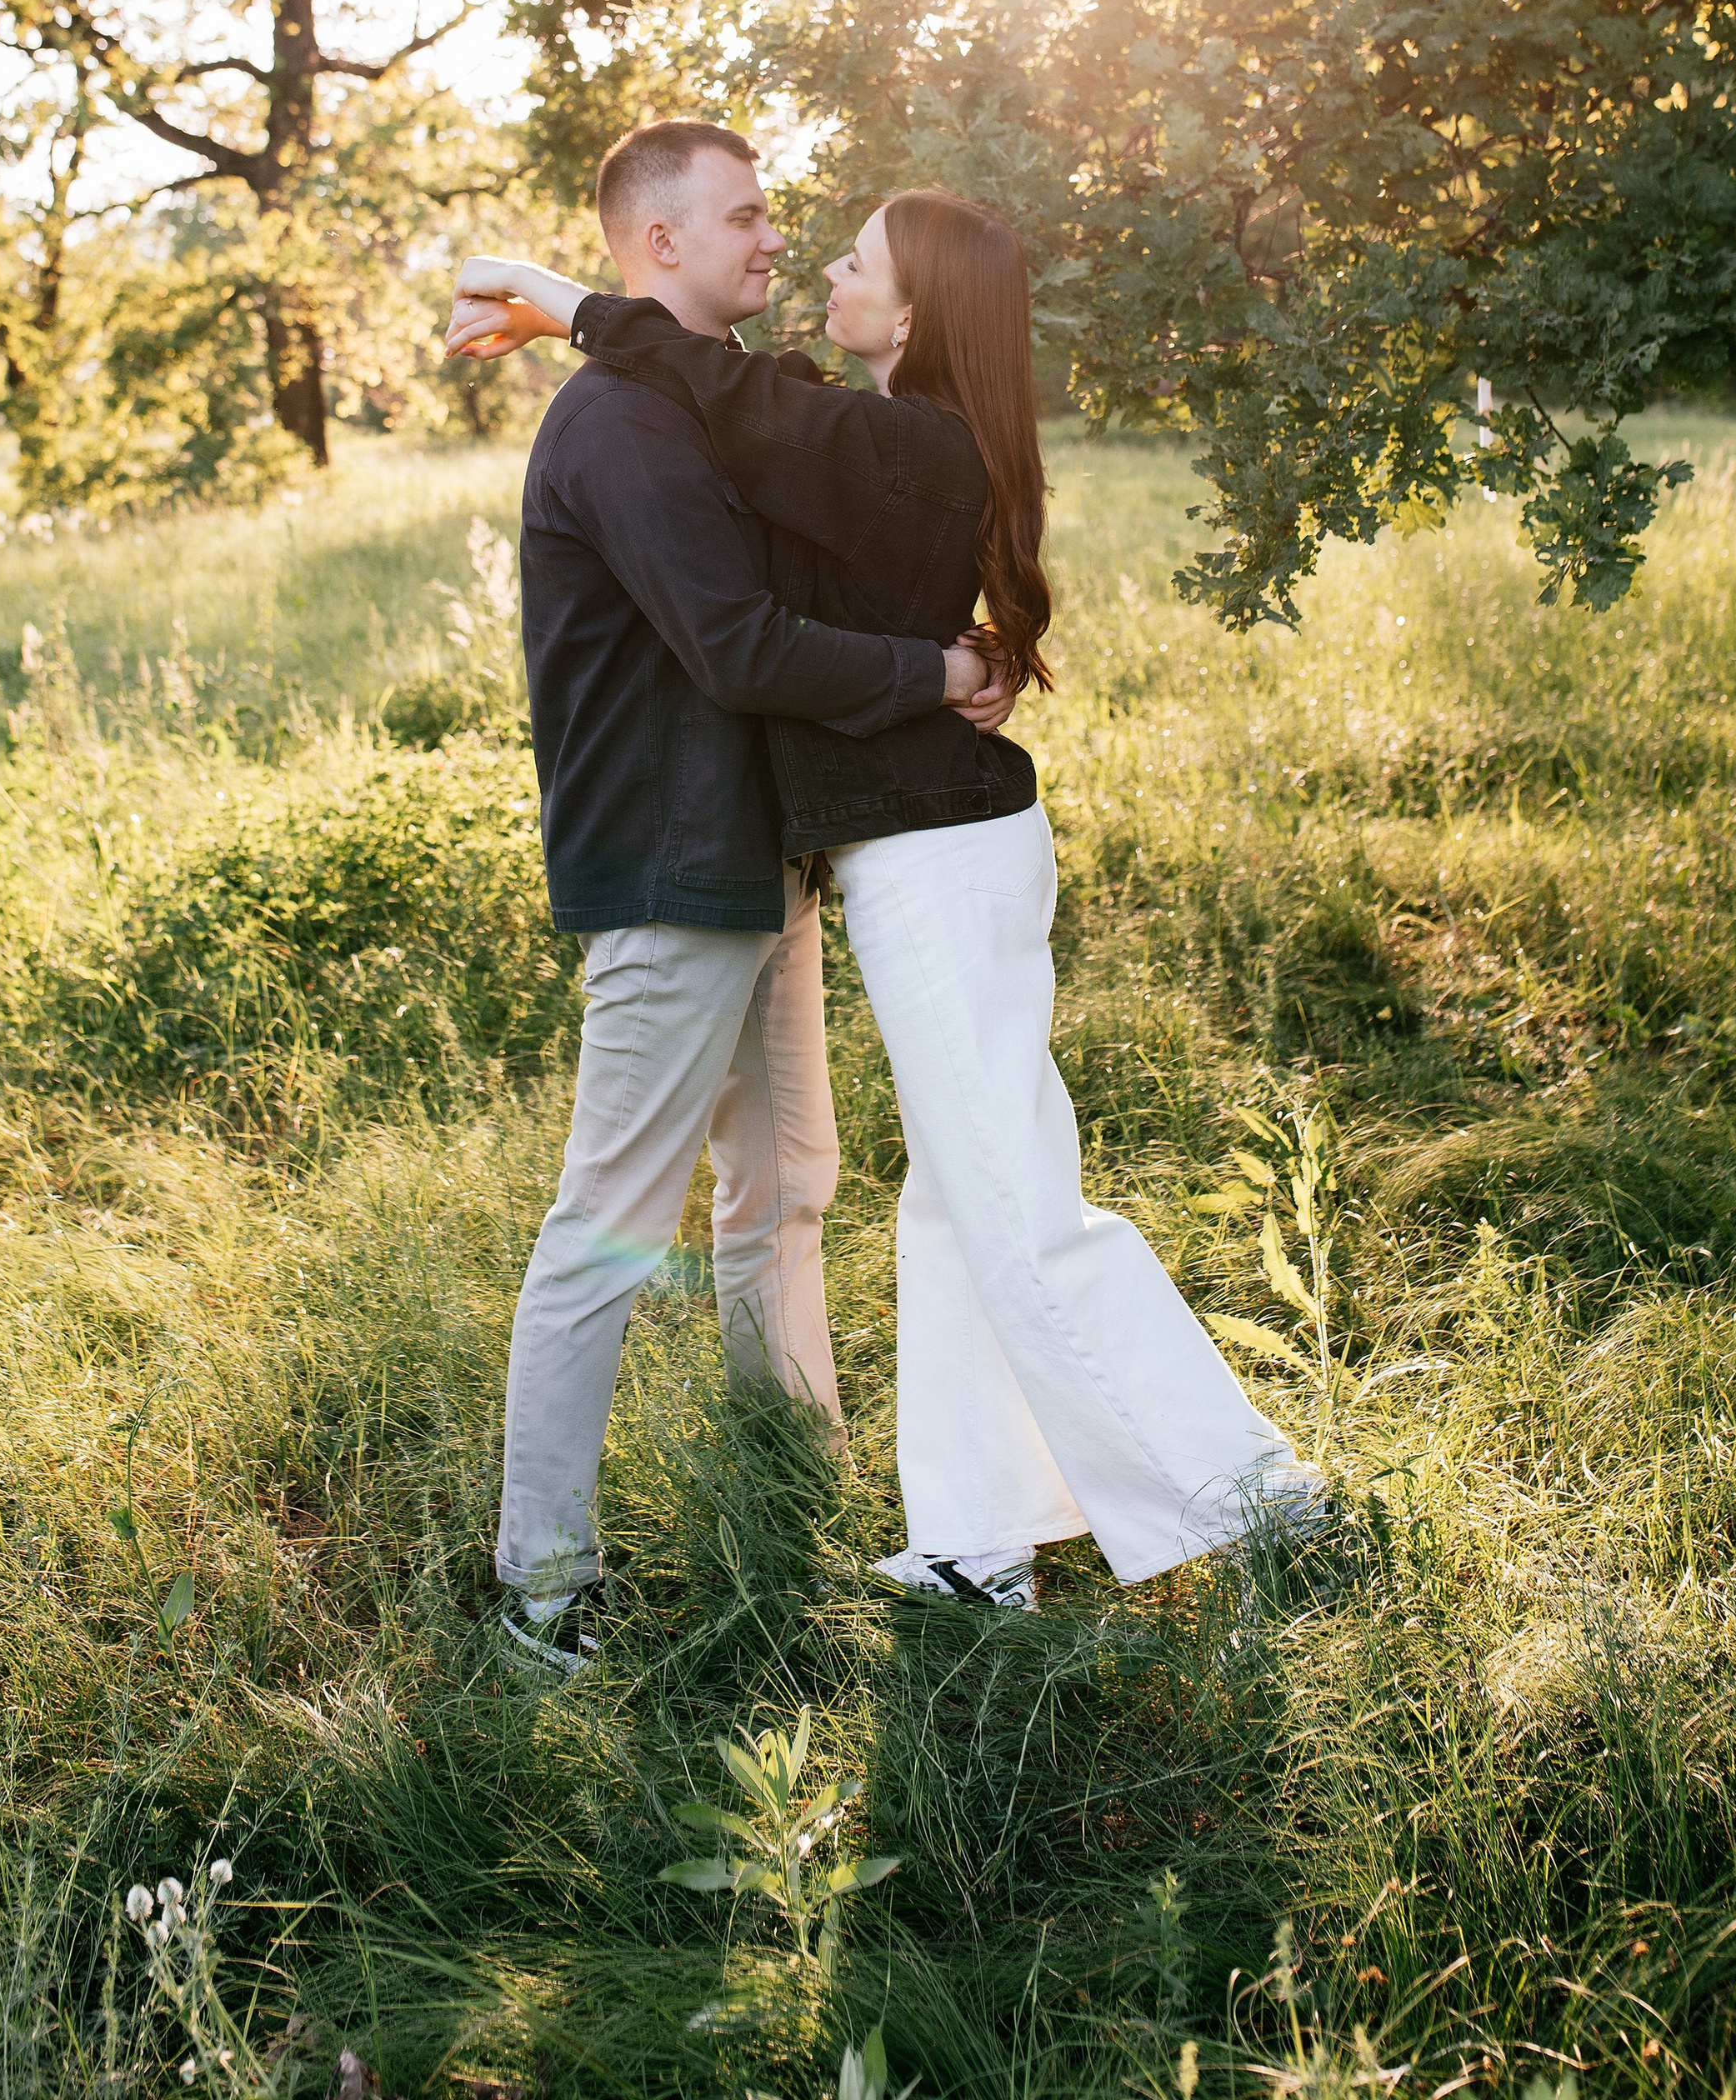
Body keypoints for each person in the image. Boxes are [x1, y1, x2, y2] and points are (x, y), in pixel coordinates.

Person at [448, 185, 1322, 1614]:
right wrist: (570, 311)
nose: (811, 263)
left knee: (1008, 1200)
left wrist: (549, 295)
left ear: (909, 317)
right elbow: (739, 402)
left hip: (937, 859)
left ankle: (1251, 1499)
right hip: (884, 857)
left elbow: (737, 399)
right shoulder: (851, 435)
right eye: (775, 228)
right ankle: (976, 1541)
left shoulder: (908, 448)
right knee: (955, 1203)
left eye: (850, 259)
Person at [465, 122, 1013, 1676]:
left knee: (786, 1188)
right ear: (659, 247)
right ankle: (541, 1591)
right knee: (610, 1223)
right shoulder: (624, 430)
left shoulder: (706, 406)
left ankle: (797, 1485)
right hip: (669, 869)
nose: (777, 241)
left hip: (750, 862)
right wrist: (940, 672)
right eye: (749, 217)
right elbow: (744, 650)